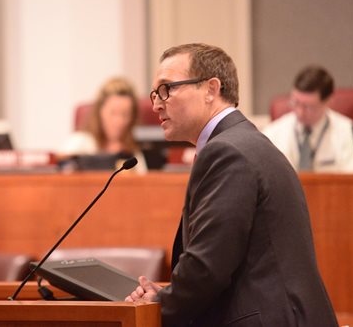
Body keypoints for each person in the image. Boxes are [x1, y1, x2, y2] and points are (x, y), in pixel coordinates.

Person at [125, 43, 337, 326]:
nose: (155, 104)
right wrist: (168, 294)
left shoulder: (228, 151)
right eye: (154, 94)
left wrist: (158, 305)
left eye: (167, 89)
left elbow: (207, 266)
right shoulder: (243, 142)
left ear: (211, 89)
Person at [262, 65, 353, 172]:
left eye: (308, 107)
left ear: (328, 101)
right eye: (295, 103)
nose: (300, 112)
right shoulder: (272, 132)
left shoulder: (345, 130)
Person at [59, 77, 147, 173]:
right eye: (113, 113)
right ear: (100, 112)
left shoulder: (135, 151)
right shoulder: (78, 144)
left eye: (125, 114)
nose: (119, 121)